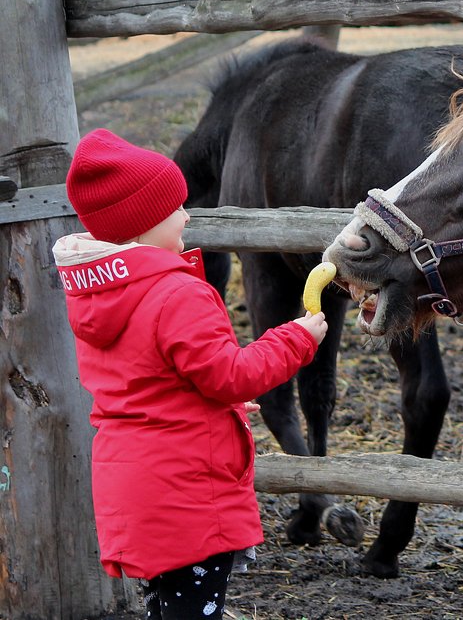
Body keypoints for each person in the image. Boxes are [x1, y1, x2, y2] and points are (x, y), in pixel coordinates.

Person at [52, 128, 328, 619]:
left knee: (167, 607)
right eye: (174, 207)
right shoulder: (177, 293)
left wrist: (210, 407)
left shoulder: (97, 295)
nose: (185, 214)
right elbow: (231, 376)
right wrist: (296, 339)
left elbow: (148, 381)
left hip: (136, 488)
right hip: (186, 495)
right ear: (142, 225)